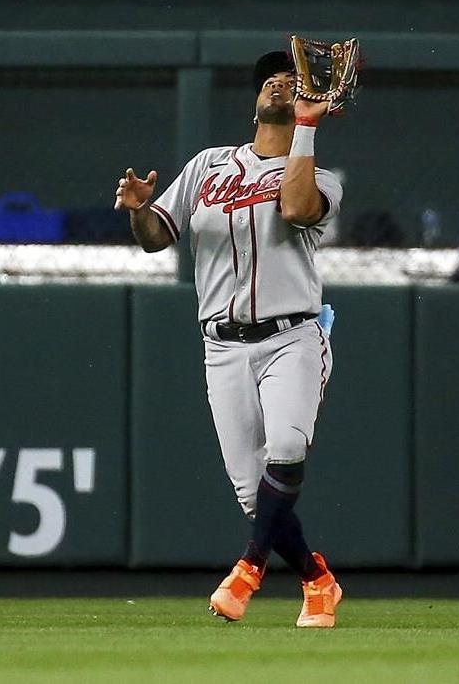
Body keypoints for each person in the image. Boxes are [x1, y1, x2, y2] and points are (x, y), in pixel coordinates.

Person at [113, 50, 344, 627]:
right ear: (254, 99)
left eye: (292, 81)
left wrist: (307, 127)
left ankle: (248, 568)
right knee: (252, 494)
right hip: (222, 345)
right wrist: (141, 211)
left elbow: (294, 205)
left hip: (292, 335)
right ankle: (317, 581)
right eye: (272, 76)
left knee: (286, 451)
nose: (280, 81)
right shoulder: (209, 165)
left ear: (311, 104)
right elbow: (154, 238)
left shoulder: (321, 179)